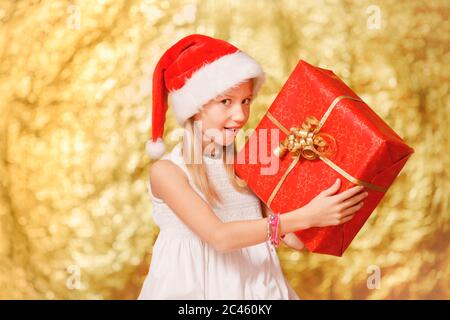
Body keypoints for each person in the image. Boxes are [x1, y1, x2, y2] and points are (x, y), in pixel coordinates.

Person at [138, 34, 368, 299]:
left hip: (257, 292)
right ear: (195, 107)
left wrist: (332, 195)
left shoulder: (250, 163)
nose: (241, 116)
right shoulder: (167, 172)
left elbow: (293, 240)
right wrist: (309, 215)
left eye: (246, 101)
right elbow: (220, 237)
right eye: (226, 101)